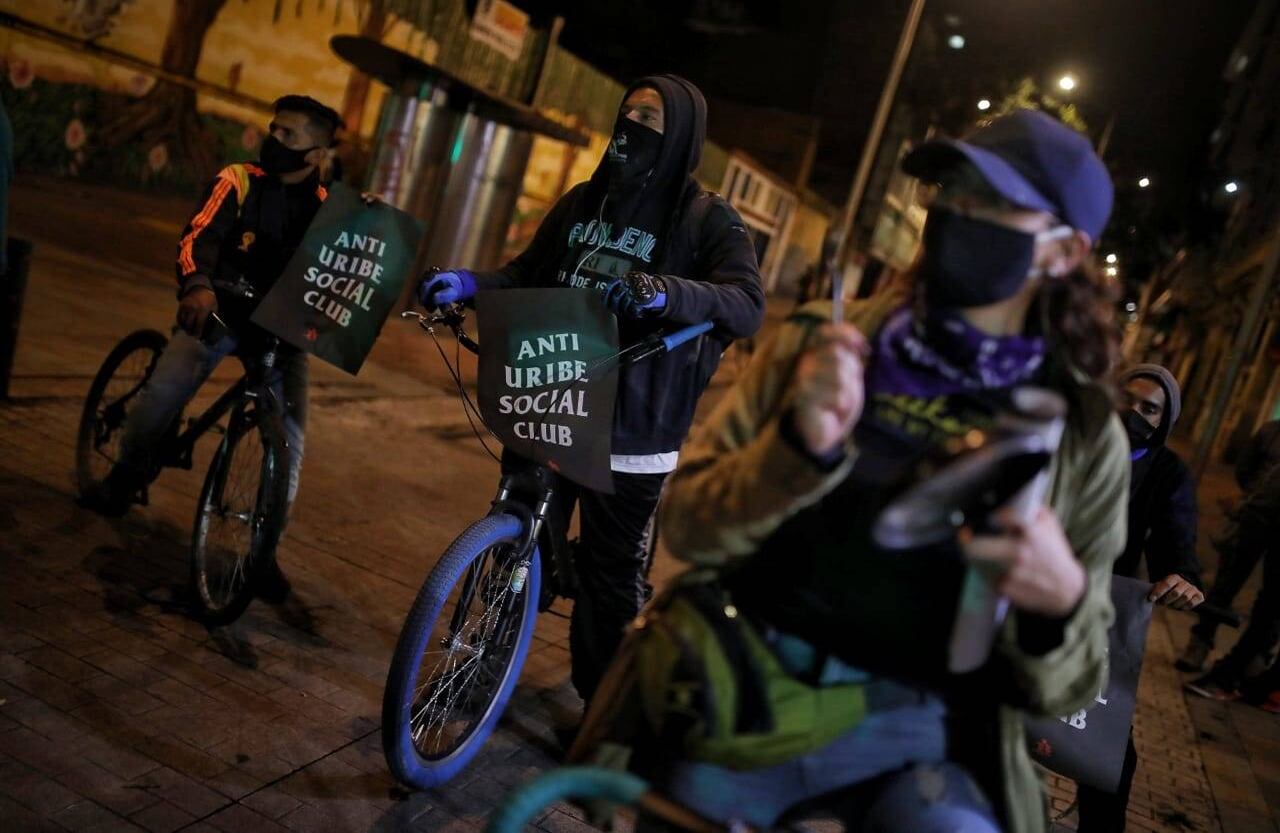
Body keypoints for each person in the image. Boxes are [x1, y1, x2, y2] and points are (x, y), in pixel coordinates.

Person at [650, 110, 1126, 833]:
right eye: (953, 192)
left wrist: (1058, 601)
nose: (960, 216)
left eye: (995, 204)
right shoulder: (824, 342)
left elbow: (1074, 684)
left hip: (923, 742)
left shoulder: (1084, 434)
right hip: (744, 691)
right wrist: (794, 450)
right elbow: (685, 524)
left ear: (1066, 251)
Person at [418, 75, 765, 705]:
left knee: (610, 578)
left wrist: (666, 291)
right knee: (514, 537)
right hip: (552, 399)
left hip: (630, 428)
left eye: (651, 119)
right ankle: (479, 666)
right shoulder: (584, 200)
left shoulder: (706, 218)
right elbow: (529, 274)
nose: (632, 124)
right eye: (627, 110)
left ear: (683, 134)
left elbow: (746, 303)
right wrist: (468, 283)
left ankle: (601, 708)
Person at [82, 95, 342, 600]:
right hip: (219, 312)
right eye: (274, 129)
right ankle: (125, 473)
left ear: (315, 156)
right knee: (162, 396)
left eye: (289, 135)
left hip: (278, 333)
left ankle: (262, 551)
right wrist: (198, 283)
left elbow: (347, 274)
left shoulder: (331, 212)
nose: (274, 140)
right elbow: (197, 236)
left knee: (289, 439)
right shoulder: (238, 179)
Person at [1075, 363, 1204, 833]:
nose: (1133, 413)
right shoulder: (1072, 442)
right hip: (1028, 598)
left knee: (1106, 750)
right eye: (1127, 400)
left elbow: (1175, 536)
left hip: (1101, 617)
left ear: (1164, 420)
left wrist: (1181, 578)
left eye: (1150, 408)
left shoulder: (1165, 472)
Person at [1179, 417, 1280, 672]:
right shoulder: (1270, 431)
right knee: (1226, 584)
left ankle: (1256, 655)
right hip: (1253, 518)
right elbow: (1244, 469)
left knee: (1271, 598)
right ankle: (1199, 642)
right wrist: (1255, 496)